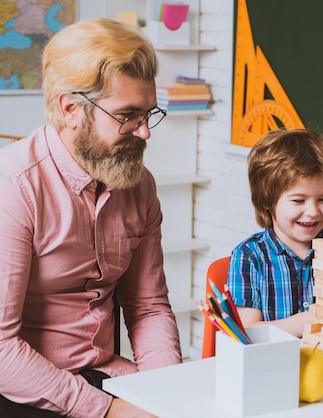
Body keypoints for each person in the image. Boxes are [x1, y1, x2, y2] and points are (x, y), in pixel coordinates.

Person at [0, 19, 182, 417]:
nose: (145, 132)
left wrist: (165, 393)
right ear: (71, 109)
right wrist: (107, 411)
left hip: (105, 374)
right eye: (127, 115)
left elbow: (148, 306)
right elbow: (1, 349)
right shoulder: (13, 186)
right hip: (23, 388)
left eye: (149, 113)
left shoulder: (141, 186)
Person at [227, 128, 323, 337]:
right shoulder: (249, 257)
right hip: (273, 364)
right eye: (298, 200)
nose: (312, 211)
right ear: (267, 201)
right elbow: (248, 331)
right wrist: (310, 319)